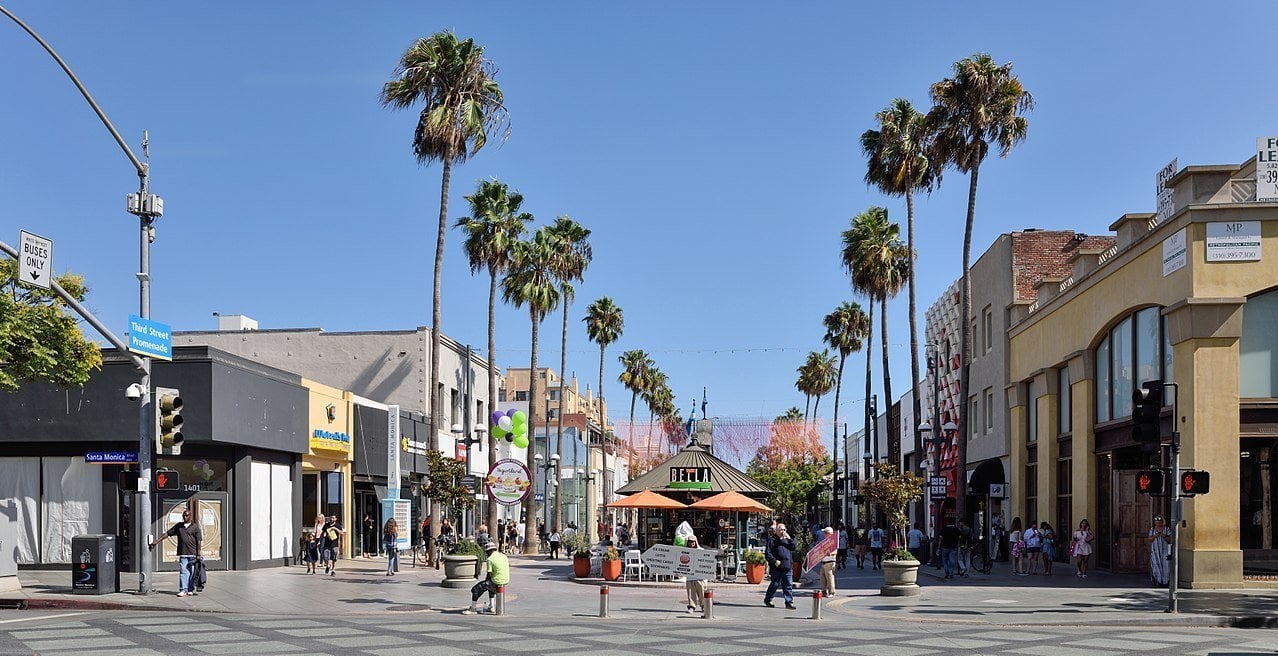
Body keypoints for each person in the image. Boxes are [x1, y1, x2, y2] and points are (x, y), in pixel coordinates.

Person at [152, 505, 202, 597]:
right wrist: (157, 541)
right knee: (183, 572)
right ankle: (183, 589)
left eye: (186, 515)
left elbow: (199, 541)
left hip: (193, 554)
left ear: (190, 516)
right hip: (183, 553)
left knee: (192, 573)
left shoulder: (195, 527)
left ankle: (190, 589)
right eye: (183, 516)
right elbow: (167, 534)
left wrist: (198, 554)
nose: (185, 517)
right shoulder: (179, 526)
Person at [463, 541, 509, 615]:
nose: (486, 554)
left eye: (486, 552)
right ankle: (491, 606)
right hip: (505, 579)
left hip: (496, 580)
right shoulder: (503, 556)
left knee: (476, 589)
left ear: (489, 551)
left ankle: (473, 608)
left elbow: (489, 574)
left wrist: (484, 583)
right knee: (489, 586)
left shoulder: (490, 559)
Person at [763, 523, 796, 609]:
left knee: (788, 585)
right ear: (777, 530)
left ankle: (789, 602)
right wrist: (774, 561)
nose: (783, 532)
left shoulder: (786, 540)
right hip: (777, 567)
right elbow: (768, 554)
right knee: (775, 584)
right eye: (781, 530)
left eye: (784, 530)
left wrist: (789, 539)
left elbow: (793, 547)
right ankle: (768, 599)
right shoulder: (772, 540)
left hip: (787, 566)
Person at [684, 535, 707, 614]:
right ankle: (692, 606)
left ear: (696, 542)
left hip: (700, 576)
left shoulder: (701, 550)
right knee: (691, 592)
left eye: (693, 542)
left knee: (702, 592)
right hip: (690, 576)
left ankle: (704, 606)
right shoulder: (684, 551)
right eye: (690, 542)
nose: (691, 543)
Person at [1148, 516, 1172, 586]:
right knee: (1155, 565)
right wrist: (1154, 536)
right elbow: (1150, 539)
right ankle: (1157, 581)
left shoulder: (1166, 529)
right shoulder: (1152, 530)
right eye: (1156, 522)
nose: (1158, 524)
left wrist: (1163, 536)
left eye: (1159, 522)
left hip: (1164, 551)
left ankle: (1165, 581)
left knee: (1166, 566)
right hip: (1155, 551)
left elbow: (1170, 540)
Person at [819, 527, 837, 597]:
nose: (824, 534)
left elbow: (835, 551)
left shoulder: (833, 541)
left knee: (830, 577)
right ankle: (824, 591)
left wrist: (830, 553)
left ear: (828, 533)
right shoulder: (825, 541)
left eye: (825, 532)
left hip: (829, 562)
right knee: (822, 577)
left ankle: (832, 592)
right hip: (823, 562)